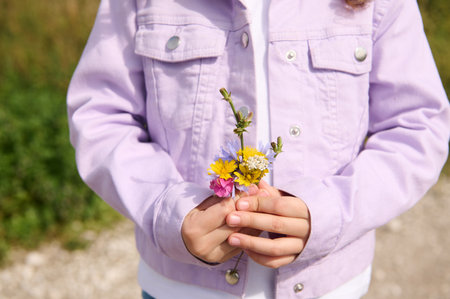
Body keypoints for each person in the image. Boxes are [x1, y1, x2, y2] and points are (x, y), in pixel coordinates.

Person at [67, 0, 450, 298]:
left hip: (330, 289)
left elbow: (417, 125)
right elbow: (101, 115)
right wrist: (169, 213)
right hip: (182, 290)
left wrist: (329, 213)